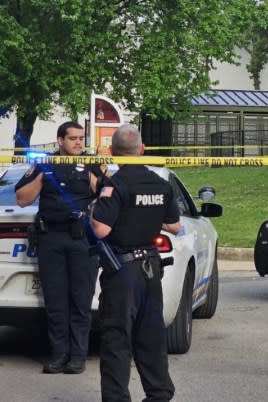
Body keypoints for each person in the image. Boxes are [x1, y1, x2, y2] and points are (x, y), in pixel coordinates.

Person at [90, 124, 180, 402]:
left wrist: (94, 210)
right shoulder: (161, 184)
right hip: (151, 269)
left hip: (123, 271)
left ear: (113, 152)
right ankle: (159, 394)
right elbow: (175, 226)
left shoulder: (115, 185)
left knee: (117, 339)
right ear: (142, 150)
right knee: (150, 336)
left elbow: (100, 230)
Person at [15, 121, 109, 374]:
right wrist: (46, 175)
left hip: (82, 240)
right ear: (60, 141)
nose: (78, 142)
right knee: (56, 302)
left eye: (81, 138)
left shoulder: (91, 164)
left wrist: (95, 177)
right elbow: (23, 199)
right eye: (73, 138)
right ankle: (58, 355)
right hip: (51, 239)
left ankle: (77, 356)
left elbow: (107, 195)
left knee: (80, 299)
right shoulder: (45, 164)